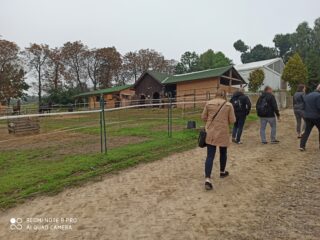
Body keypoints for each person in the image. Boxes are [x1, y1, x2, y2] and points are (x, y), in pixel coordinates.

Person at [201, 89, 236, 190]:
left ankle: (207, 179)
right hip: (223, 132)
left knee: (210, 156)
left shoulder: (208, 103)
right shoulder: (229, 105)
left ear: (215, 94)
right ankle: (222, 172)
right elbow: (233, 120)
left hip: (211, 132)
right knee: (223, 152)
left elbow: (203, 117)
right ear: (224, 95)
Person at [299, 84, 320, 151]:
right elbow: (319, 107)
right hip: (316, 117)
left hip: (307, 116)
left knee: (307, 131)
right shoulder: (318, 96)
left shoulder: (307, 95)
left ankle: (302, 146)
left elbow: (303, 106)